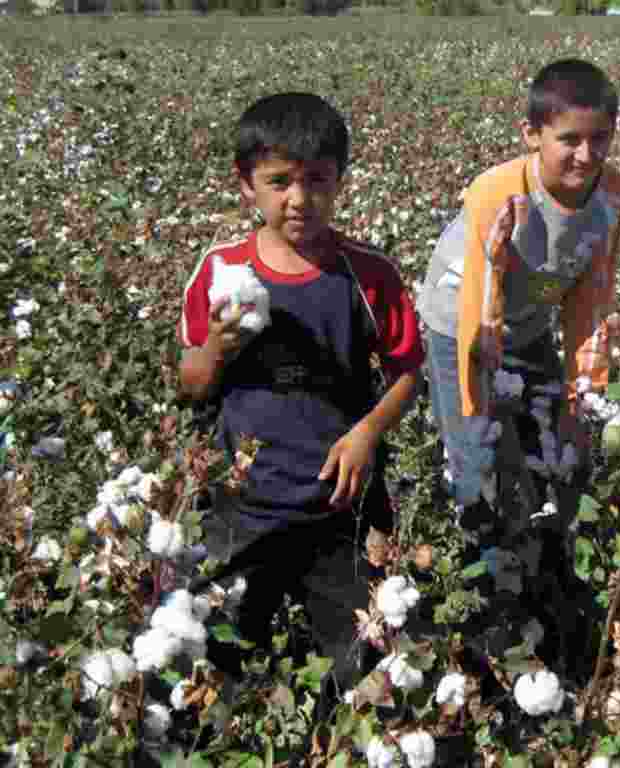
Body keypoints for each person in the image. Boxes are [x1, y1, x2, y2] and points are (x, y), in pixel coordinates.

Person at [178, 92, 424, 709]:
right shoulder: (221, 272)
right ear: (247, 185)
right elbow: (191, 385)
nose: (298, 198)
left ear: (340, 180)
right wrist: (215, 348)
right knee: (212, 666)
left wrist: (366, 434)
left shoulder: (369, 276)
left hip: (341, 508)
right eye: (279, 181)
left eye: (316, 180)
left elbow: (405, 375)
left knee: (362, 668)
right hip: (243, 508)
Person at [416, 57, 620, 675]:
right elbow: (485, 309)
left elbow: (593, 296)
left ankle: (547, 571)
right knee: (479, 453)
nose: (586, 155)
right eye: (569, 139)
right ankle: (489, 603)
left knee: (554, 447)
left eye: (600, 139)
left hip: (530, 318)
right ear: (531, 134)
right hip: (464, 319)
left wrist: (585, 400)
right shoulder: (496, 193)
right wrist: (482, 408)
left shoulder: (609, 195)